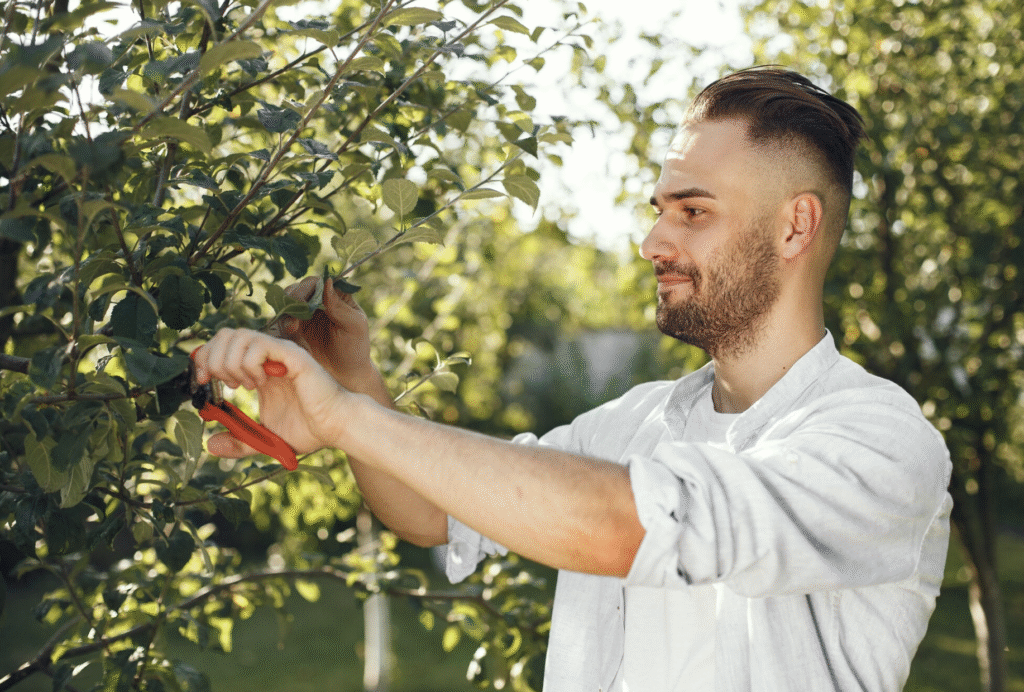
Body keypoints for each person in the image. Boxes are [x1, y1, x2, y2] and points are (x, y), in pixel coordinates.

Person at [193, 67, 953, 691]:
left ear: (795, 226)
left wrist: (346, 420)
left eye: (693, 211)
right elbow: (439, 513)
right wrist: (353, 381)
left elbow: (629, 528)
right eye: (660, 209)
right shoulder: (637, 422)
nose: (653, 239)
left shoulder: (879, 442)